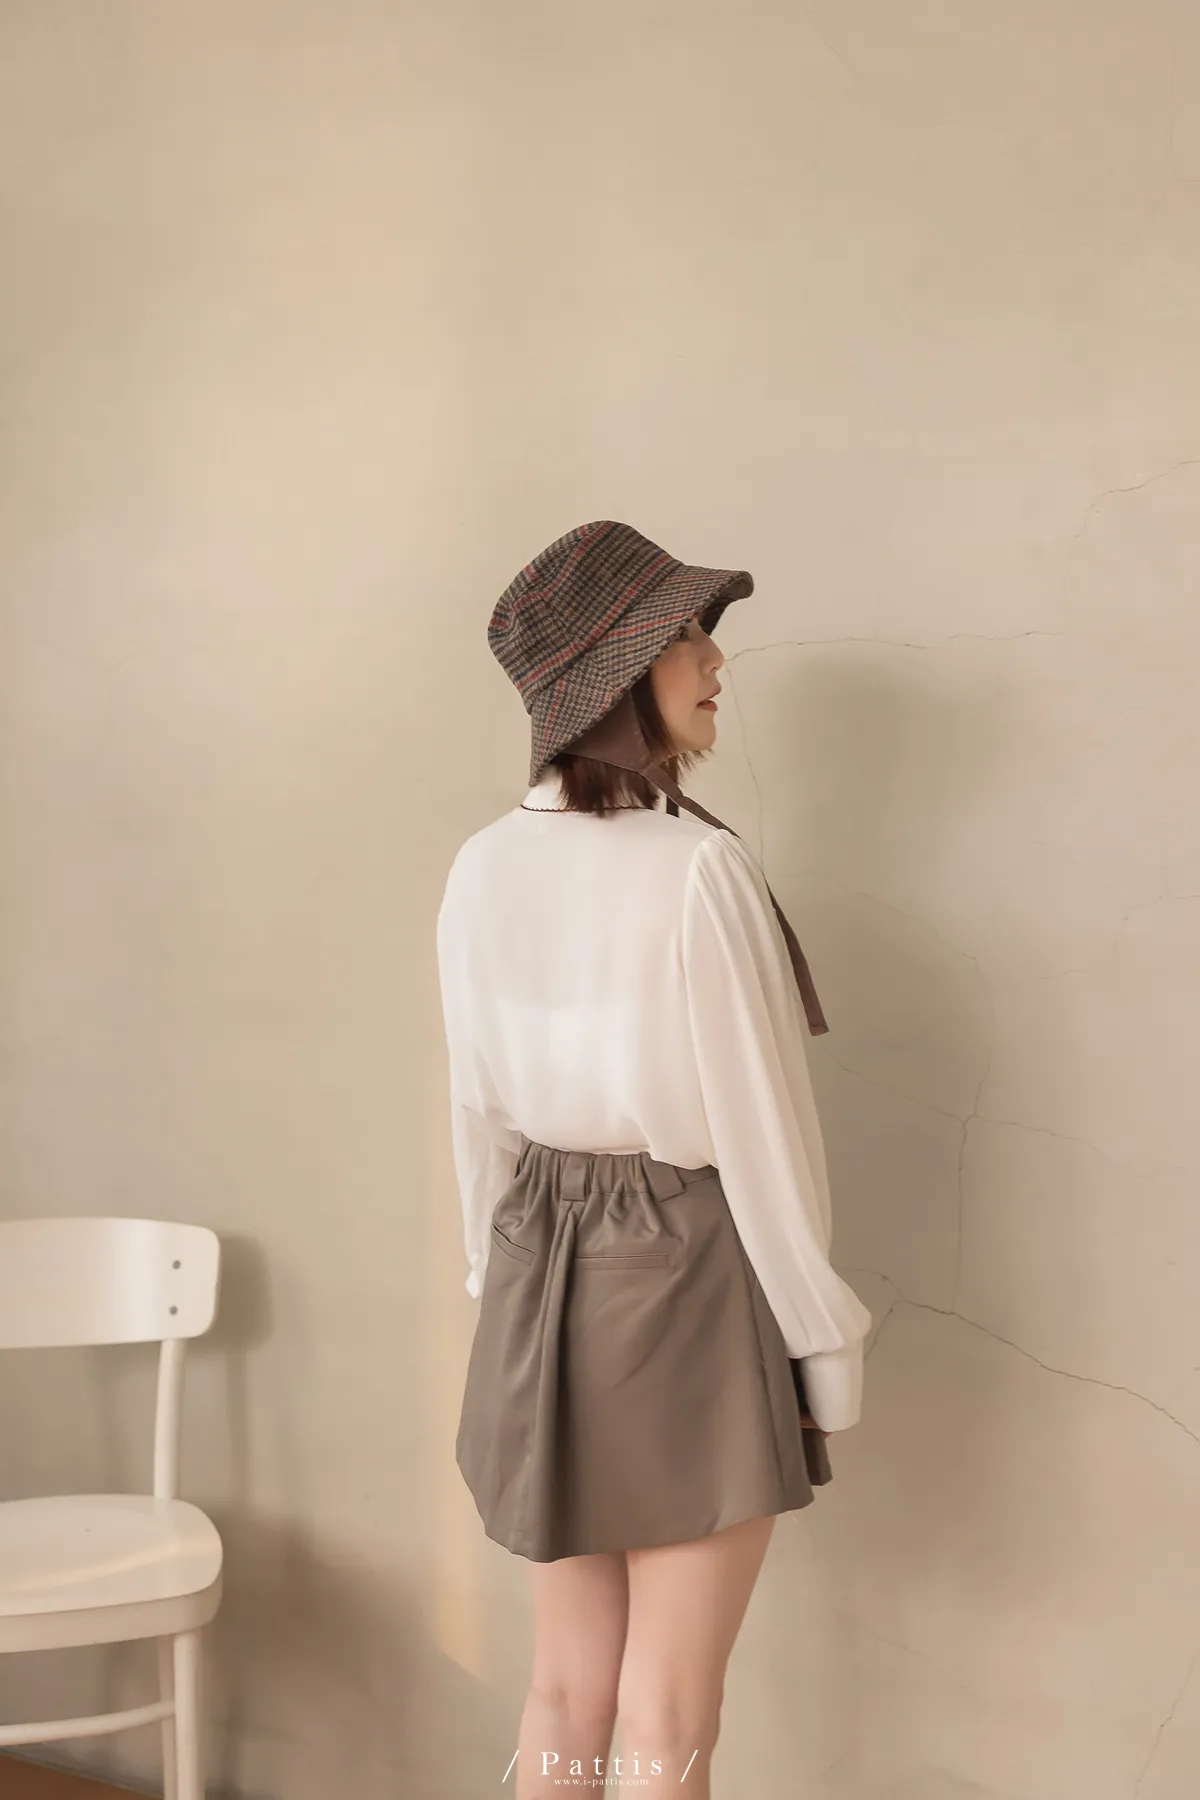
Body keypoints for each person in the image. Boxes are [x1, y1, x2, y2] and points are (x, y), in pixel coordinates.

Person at [435, 520, 873, 1799]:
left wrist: (499, 1292)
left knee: (566, 1692)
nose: (715, 661)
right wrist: (823, 1345)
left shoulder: (481, 865)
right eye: (686, 637)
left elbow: (477, 1115)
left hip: (536, 1268)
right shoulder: (697, 869)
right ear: (618, 672)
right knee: (670, 1706)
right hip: (682, 1267)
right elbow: (761, 1135)